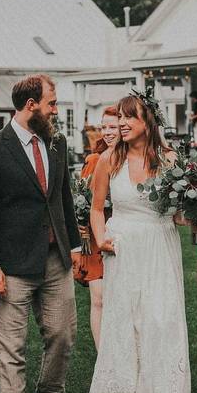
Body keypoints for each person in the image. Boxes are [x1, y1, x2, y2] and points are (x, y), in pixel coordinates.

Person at [0, 73, 81, 393]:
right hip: (12, 264)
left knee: (63, 335)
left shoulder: (57, 143)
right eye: (52, 103)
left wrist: (76, 245)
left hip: (56, 259)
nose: (56, 109)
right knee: (11, 348)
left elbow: (63, 197)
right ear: (31, 105)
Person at [87, 92, 193, 393]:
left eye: (129, 117)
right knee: (127, 321)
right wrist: (101, 239)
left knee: (161, 320)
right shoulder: (108, 159)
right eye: (119, 117)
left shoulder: (169, 159)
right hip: (122, 248)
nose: (121, 124)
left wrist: (191, 205)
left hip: (159, 245)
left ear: (148, 122)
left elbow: (180, 212)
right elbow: (97, 208)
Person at [73, 105, 120, 348]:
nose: (108, 132)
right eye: (104, 127)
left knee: (120, 299)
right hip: (94, 236)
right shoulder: (93, 160)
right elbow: (83, 200)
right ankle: (103, 355)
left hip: (122, 233)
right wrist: (82, 225)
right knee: (99, 298)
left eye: (113, 127)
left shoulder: (131, 159)